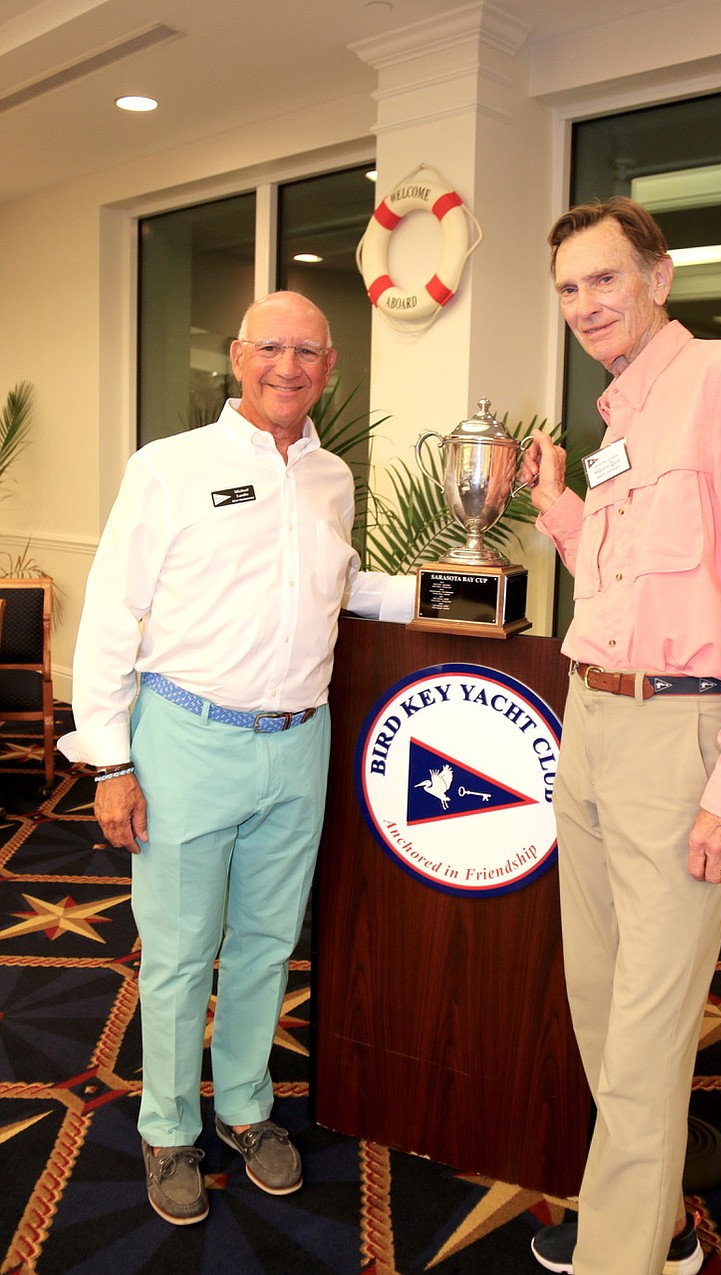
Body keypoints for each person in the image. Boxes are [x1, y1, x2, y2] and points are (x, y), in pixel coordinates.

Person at [59, 291, 413, 1225]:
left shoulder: (334, 476)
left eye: (308, 351)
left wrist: (439, 594)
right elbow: (110, 613)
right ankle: (169, 1126)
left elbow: (330, 580)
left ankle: (249, 1106)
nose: (288, 366)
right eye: (271, 347)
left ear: (330, 366)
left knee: (264, 943)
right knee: (179, 951)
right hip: (184, 739)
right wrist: (109, 761)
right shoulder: (169, 467)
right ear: (236, 355)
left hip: (297, 746)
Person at [520, 198, 721, 1275]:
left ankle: (620, 1259)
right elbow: (622, 594)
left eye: (604, 278)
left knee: (643, 1039)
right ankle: (652, 1226)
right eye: (567, 288)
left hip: (678, 737)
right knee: (602, 1009)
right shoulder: (623, 422)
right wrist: (563, 512)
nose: (585, 304)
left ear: (660, 277)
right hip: (593, 719)